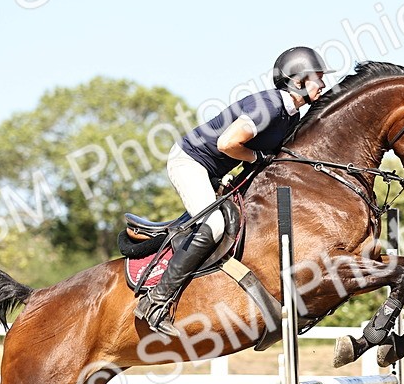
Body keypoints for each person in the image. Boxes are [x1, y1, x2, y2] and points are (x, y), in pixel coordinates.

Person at [134, 46, 335, 336]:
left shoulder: (290, 115)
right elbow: (227, 143)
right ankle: (155, 301)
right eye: (318, 77)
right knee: (215, 225)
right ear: (298, 80)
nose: (324, 84)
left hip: (214, 170)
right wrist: (256, 159)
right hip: (190, 161)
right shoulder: (270, 107)